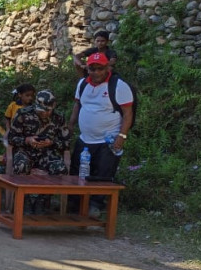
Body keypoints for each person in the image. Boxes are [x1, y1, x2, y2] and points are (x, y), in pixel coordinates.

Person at [68, 52, 133, 213]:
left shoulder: (118, 86)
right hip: (85, 139)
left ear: (107, 68)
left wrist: (122, 136)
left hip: (107, 140)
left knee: (103, 173)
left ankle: (95, 206)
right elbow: (77, 105)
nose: (96, 72)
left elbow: (128, 114)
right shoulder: (82, 84)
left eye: (100, 68)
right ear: (87, 69)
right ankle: (75, 205)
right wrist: (70, 125)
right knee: (77, 172)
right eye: (92, 69)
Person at [8, 89, 70, 181]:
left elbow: (66, 143)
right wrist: (27, 140)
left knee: (60, 169)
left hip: (47, 153)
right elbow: (11, 138)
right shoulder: (23, 114)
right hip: (25, 151)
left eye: (48, 110)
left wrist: (51, 142)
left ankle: (47, 191)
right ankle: (21, 190)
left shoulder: (59, 118)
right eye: (41, 110)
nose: (44, 113)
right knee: (21, 166)